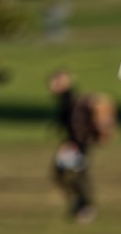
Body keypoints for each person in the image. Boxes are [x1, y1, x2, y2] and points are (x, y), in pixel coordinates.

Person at [47, 69, 114, 222]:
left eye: (55, 81)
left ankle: (84, 206)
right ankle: (82, 204)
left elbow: (76, 123)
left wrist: (75, 142)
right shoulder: (67, 99)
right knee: (70, 173)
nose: (51, 86)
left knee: (72, 174)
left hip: (77, 144)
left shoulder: (70, 99)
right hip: (76, 143)